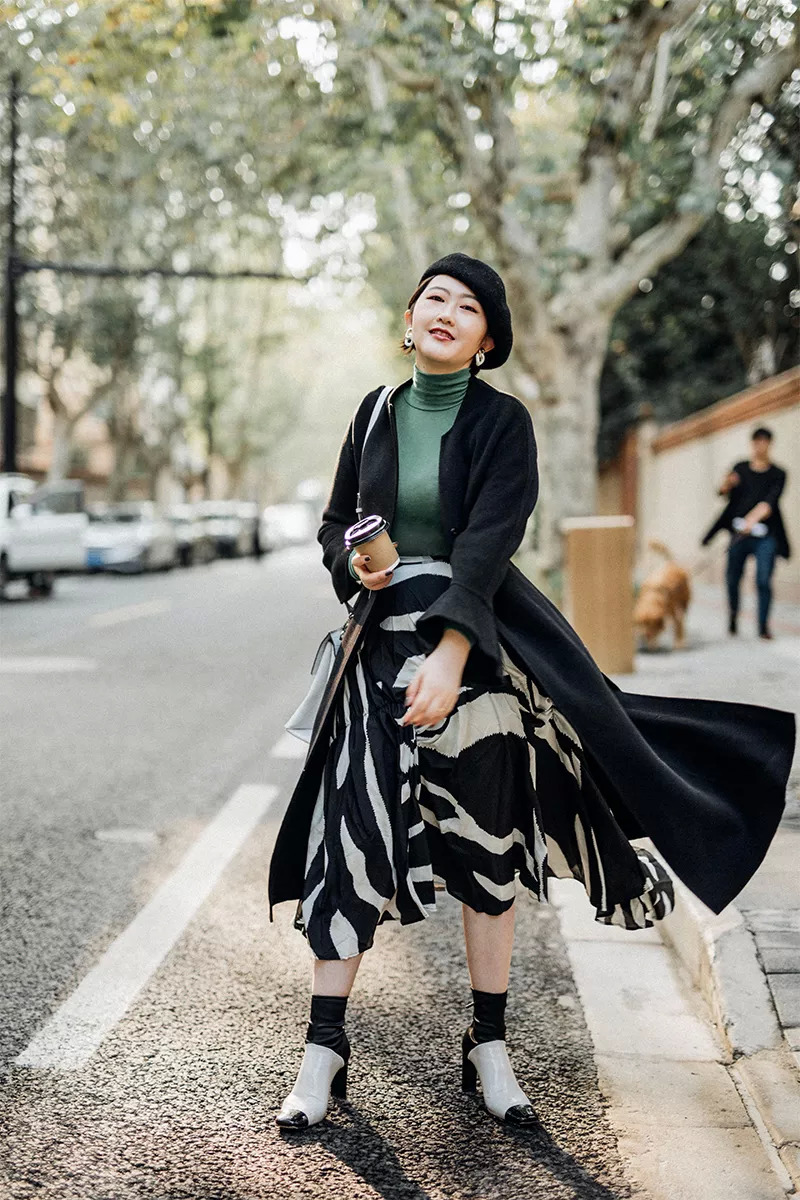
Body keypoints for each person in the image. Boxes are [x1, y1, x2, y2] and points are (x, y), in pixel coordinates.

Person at [268, 253, 796, 1132]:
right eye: (434, 298)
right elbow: (334, 522)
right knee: (351, 843)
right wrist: (352, 562)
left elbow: (491, 538)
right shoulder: (372, 412)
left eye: (468, 306)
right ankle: (323, 1050)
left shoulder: (502, 421)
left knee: (489, 854)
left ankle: (488, 1046)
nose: (446, 311)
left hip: (475, 656)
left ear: (486, 340)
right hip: (376, 655)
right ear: (410, 321)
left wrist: (450, 652)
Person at [701, 427, 790, 640]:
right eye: (756, 441)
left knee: (763, 579)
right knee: (732, 578)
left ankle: (763, 626)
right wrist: (727, 483)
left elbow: (769, 503)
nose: (760, 445)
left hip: (765, 535)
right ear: (752, 444)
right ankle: (733, 617)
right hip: (739, 535)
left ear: (769, 444)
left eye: (764, 441)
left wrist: (751, 520)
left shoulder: (778, 474)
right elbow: (723, 494)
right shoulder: (740, 468)